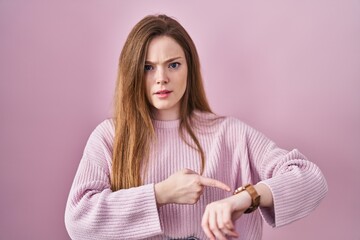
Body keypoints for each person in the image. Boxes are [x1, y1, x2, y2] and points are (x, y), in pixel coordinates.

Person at [64, 14, 328, 240]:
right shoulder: (110, 136)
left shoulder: (230, 134)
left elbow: (310, 179)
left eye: (173, 65)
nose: (161, 78)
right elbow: (78, 220)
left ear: (189, 69)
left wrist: (246, 198)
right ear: (132, 72)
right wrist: (161, 193)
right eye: (148, 67)